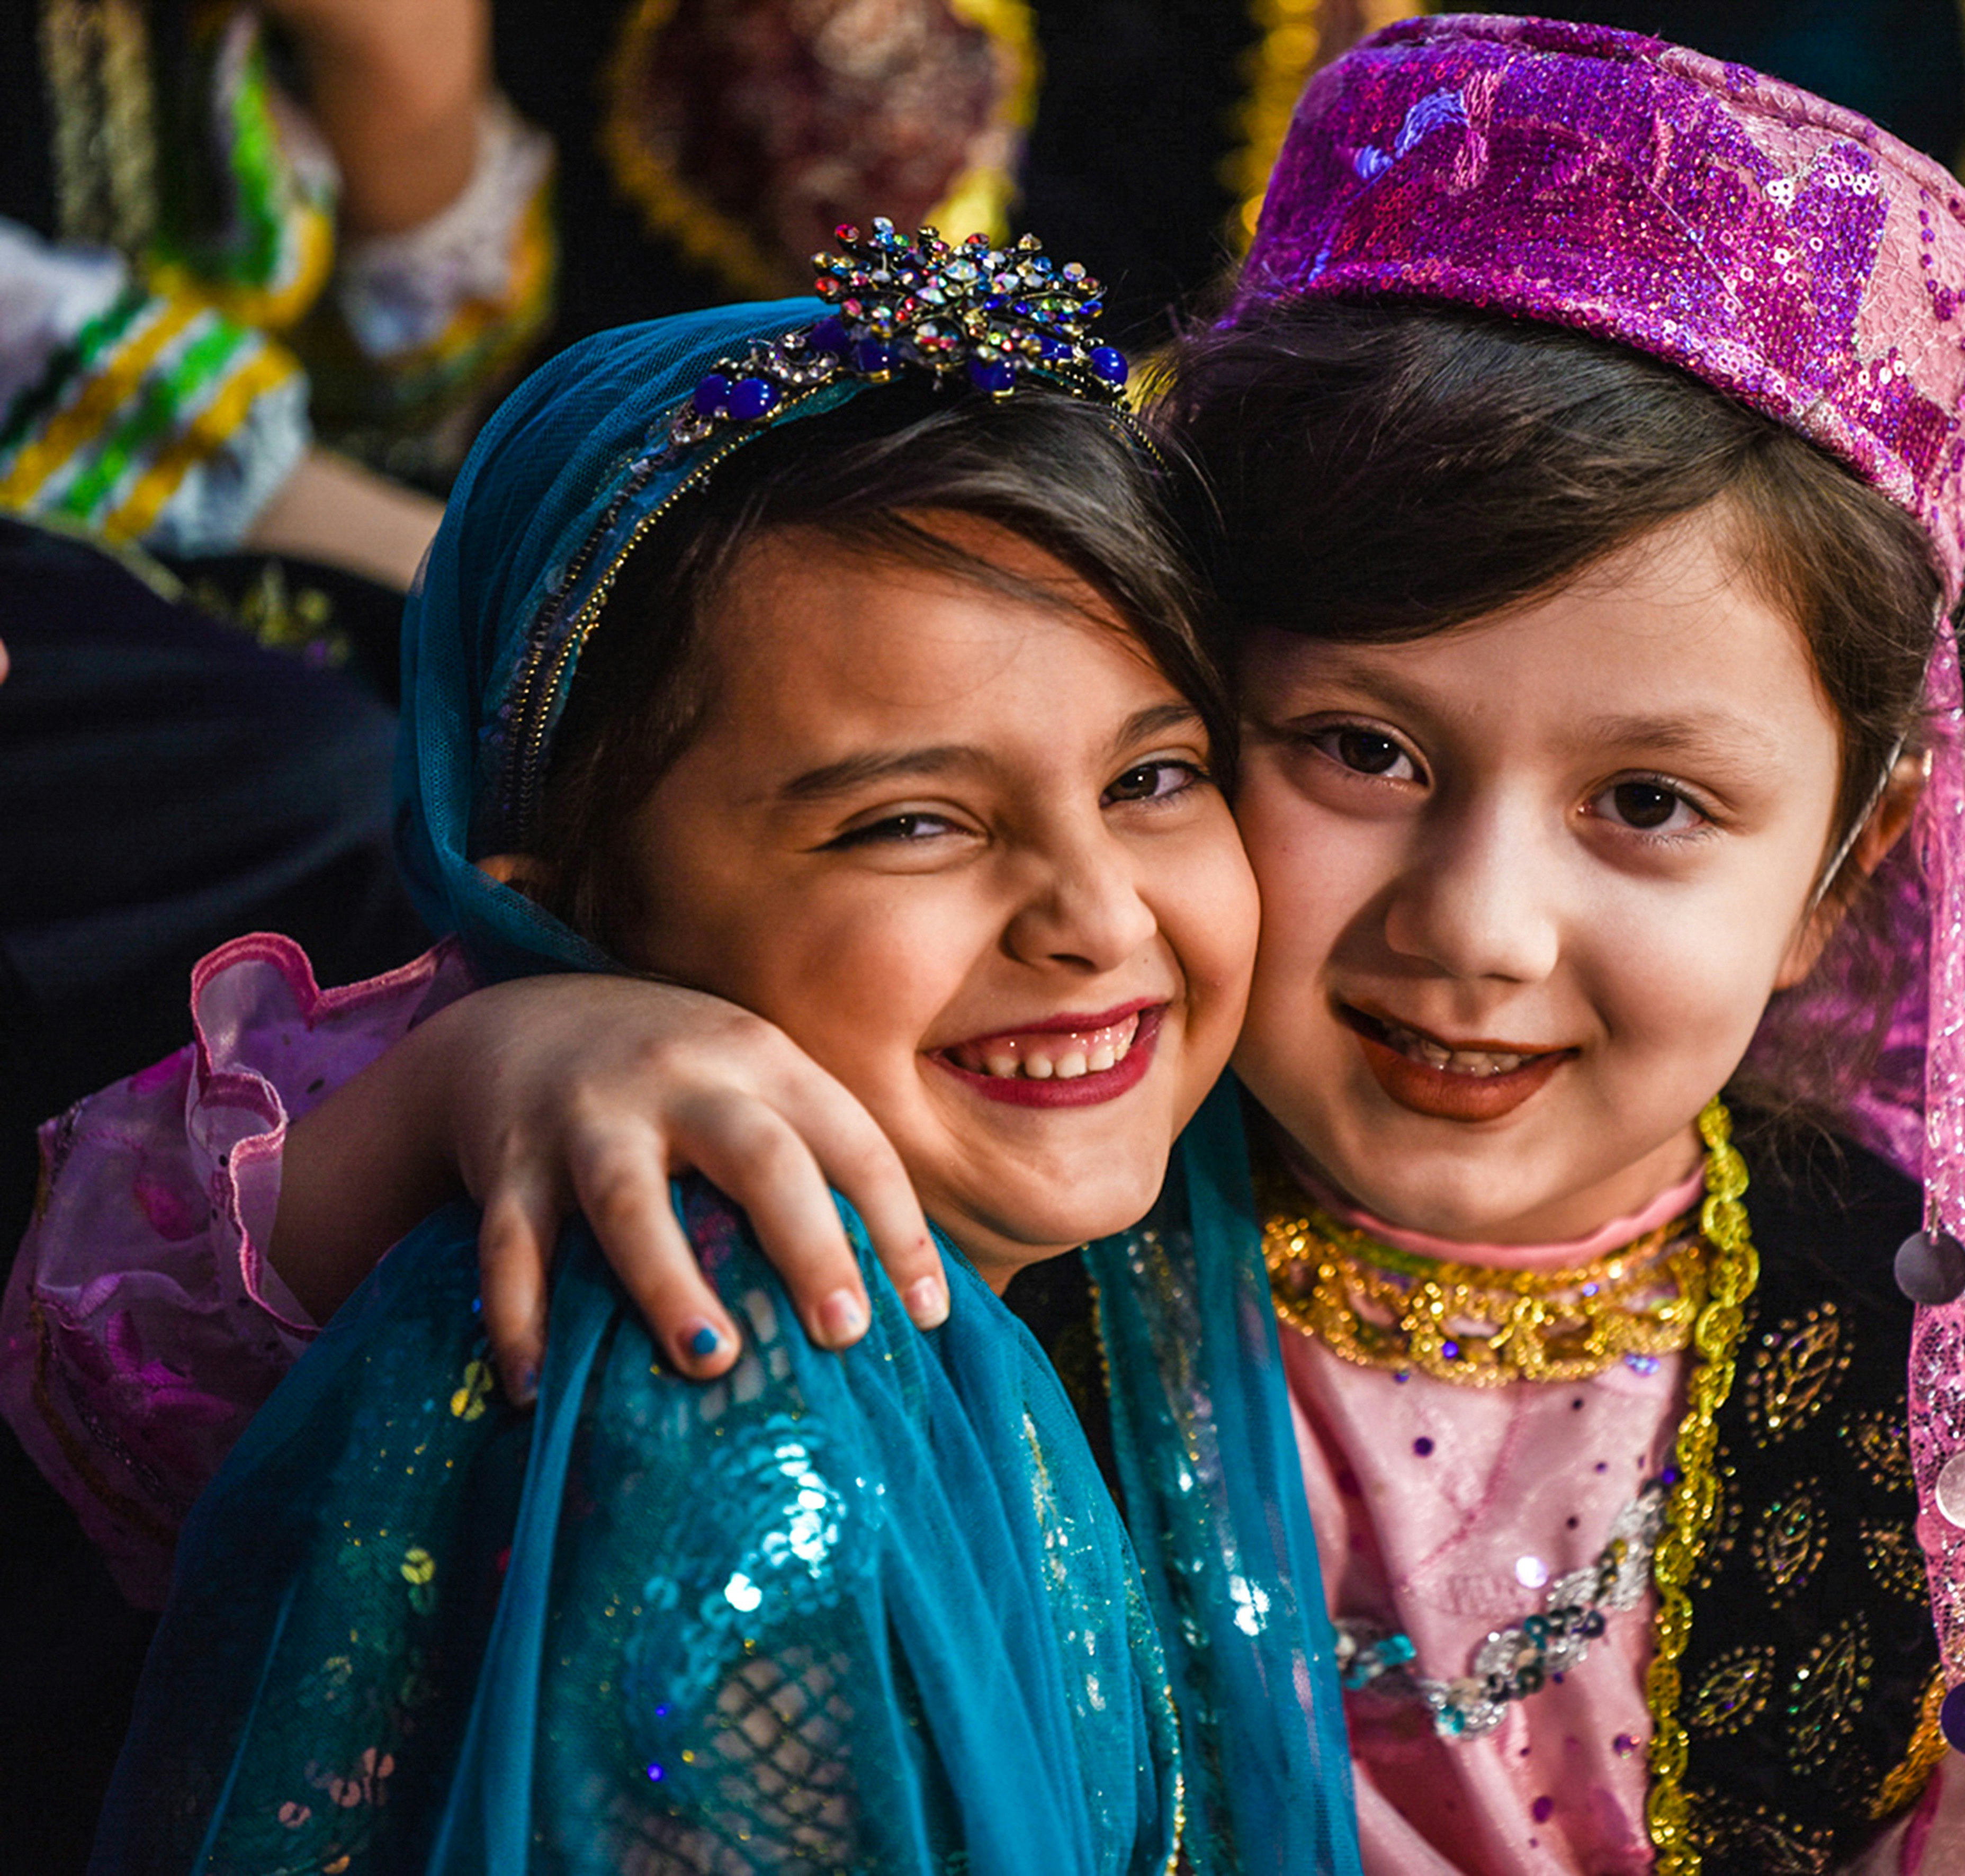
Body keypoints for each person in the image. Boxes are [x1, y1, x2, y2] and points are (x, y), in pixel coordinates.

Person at [12, 20, 1965, 1872]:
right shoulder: (984, 1151)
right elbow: (130, 1371)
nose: (1475, 928)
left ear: (1853, 854)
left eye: (1649, 806)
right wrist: (485, 1077)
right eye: (1353, 752)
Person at [82, 230, 1362, 1875]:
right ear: (575, 911)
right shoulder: (715, 1357)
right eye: (910, 822)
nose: (1093, 918)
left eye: (1152, 779)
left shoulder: (1108, 1270)